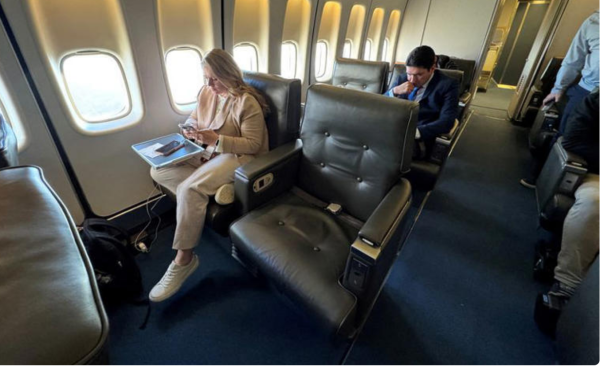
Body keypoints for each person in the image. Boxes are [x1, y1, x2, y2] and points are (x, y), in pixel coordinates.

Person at [148, 49, 269, 302]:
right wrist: (190, 130)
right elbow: (194, 117)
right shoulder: (205, 93)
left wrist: (217, 140)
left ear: (228, 74)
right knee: (159, 169)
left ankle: (184, 259)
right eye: (206, 78)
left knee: (188, 189)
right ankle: (215, 187)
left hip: (236, 156)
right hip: (207, 153)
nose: (209, 85)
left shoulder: (246, 101)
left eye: (214, 79)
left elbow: (254, 144)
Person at [535, 89, 598, 335]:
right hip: (596, 174)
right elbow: (573, 141)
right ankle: (567, 285)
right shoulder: (596, 101)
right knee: (593, 204)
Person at [520, 11, 599, 188]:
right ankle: (540, 177)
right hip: (588, 91)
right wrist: (558, 89)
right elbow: (573, 60)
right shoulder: (593, 22)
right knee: (565, 135)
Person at [385, 46, 459, 157]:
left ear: (432, 68)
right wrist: (394, 91)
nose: (412, 80)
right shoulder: (402, 78)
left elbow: (447, 122)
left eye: (419, 75)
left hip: (418, 138)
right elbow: (380, 104)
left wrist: (415, 132)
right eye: (409, 74)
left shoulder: (448, 85)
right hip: (394, 129)